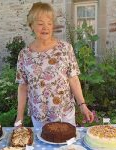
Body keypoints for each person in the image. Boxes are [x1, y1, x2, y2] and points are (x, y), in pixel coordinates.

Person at [15, 2, 94, 130]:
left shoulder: (65, 48)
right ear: (31, 26)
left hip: (64, 114)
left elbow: (73, 79)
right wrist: (19, 116)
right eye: (40, 23)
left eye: (49, 23)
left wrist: (83, 105)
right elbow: (23, 86)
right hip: (39, 116)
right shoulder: (24, 54)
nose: (45, 27)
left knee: (68, 148)